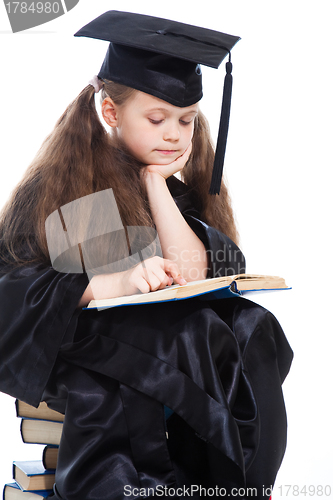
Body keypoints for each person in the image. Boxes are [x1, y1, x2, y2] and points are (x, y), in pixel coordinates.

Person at [0, 11, 293, 500]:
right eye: (156, 119)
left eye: (186, 121)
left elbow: (193, 271)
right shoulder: (64, 184)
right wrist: (116, 282)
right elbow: (14, 289)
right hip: (79, 339)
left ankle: (246, 487)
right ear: (112, 114)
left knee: (249, 324)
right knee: (191, 333)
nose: (174, 135)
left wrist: (156, 185)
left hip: (160, 333)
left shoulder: (175, 189)